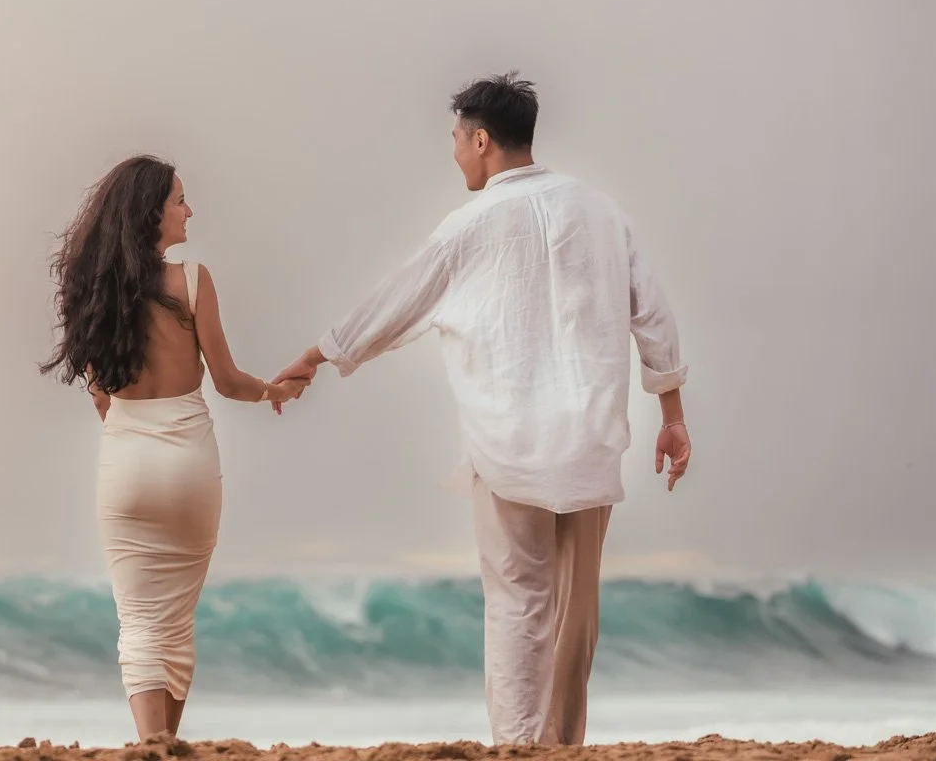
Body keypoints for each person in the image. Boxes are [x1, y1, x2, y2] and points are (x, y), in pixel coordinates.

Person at [274, 73, 693, 747]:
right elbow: (654, 314)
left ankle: (519, 741)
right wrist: (672, 415)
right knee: (574, 603)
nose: (455, 155)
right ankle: (561, 741)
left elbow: (398, 300)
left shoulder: (471, 225)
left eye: (455, 141)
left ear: (480, 139)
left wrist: (319, 356)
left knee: (518, 599)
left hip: (510, 443)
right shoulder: (600, 210)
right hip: (590, 437)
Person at [43, 155, 304, 741]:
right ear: (150, 213)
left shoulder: (92, 291)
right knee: (175, 619)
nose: (190, 210)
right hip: (189, 461)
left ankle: (151, 746)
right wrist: (275, 391)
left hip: (126, 463)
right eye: (180, 200)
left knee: (138, 621)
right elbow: (230, 382)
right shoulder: (191, 280)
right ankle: (163, 746)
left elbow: (101, 397)